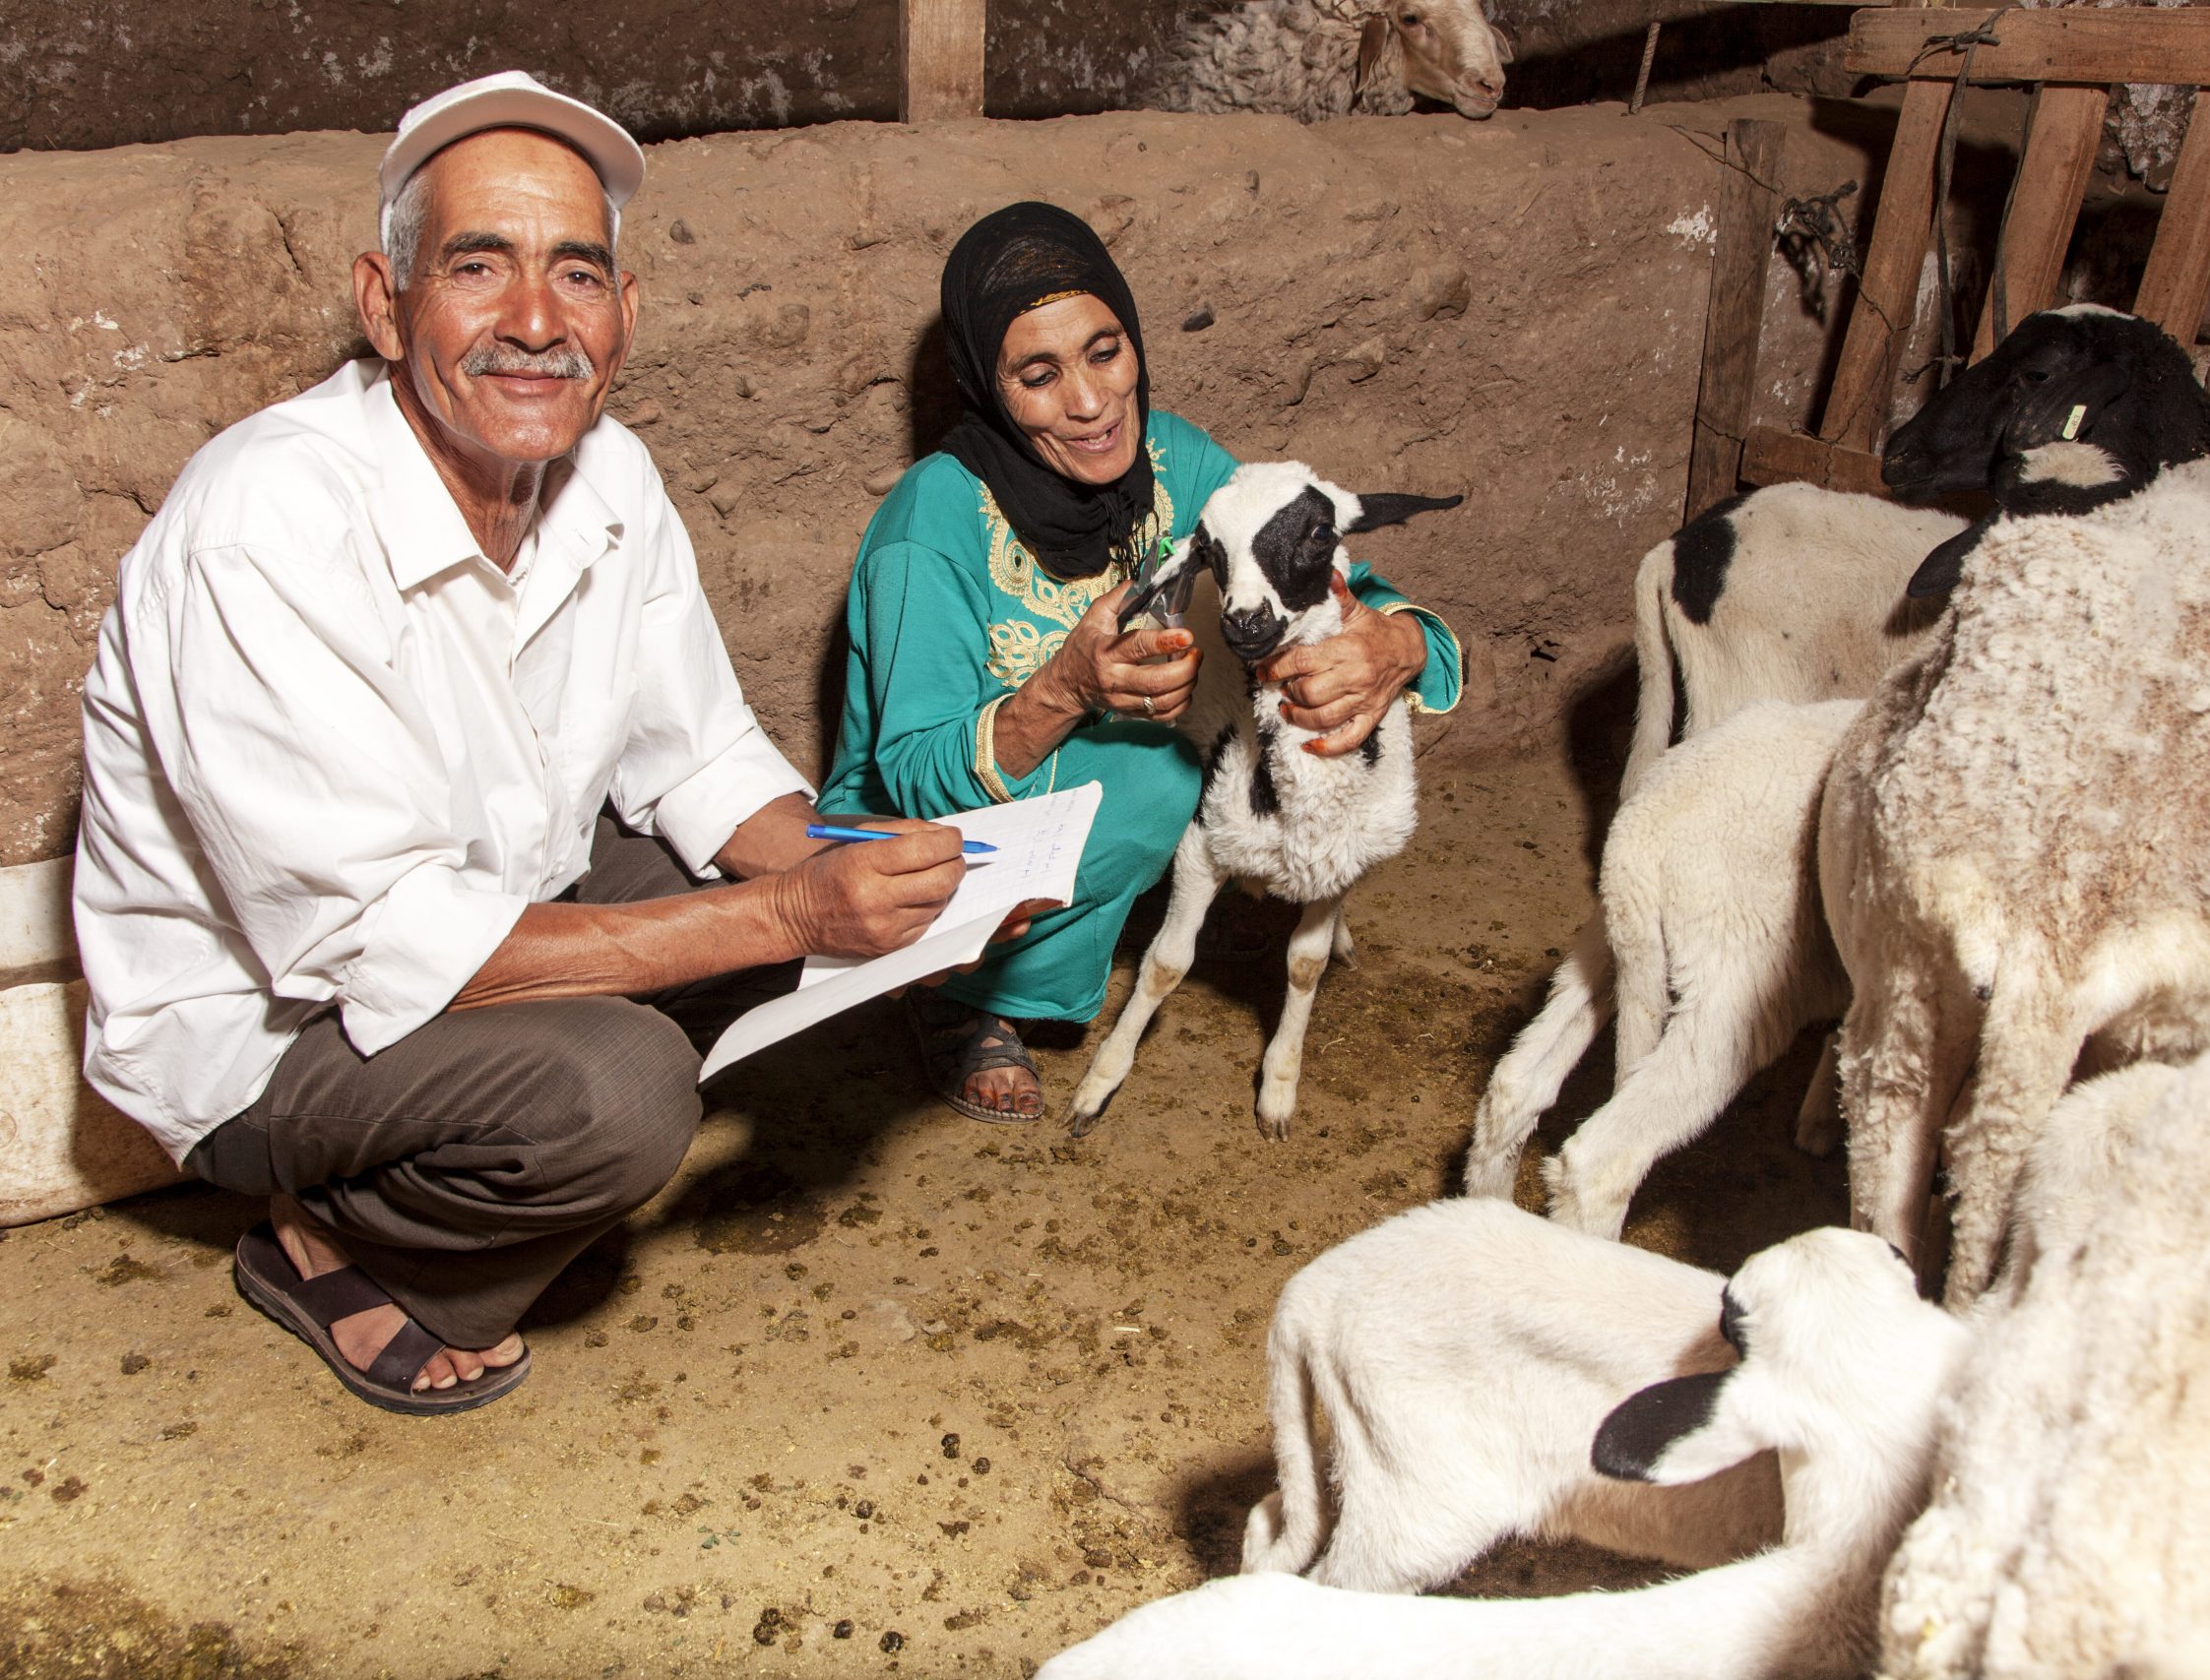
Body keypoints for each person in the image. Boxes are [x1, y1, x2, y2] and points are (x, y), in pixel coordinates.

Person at [73, 73, 1010, 1415]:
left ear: (627, 314)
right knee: (618, 1097)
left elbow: (698, 761)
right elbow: (382, 937)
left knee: (802, 939)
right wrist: (790, 907)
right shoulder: (264, 529)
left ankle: (448, 1165)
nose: (534, 322)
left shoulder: (608, 474)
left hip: (491, 908)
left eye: (577, 274)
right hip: (268, 1030)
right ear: (382, 303)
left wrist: (903, 874)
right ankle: (329, 1242)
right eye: (477, 266)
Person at [820, 202, 1463, 1123]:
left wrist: (1393, 647)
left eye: (1105, 350)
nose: (1090, 401)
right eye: (1039, 375)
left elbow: (1343, 585)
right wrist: (1067, 688)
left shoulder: (1177, 462)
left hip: (1073, 802)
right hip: (916, 826)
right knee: (1160, 770)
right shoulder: (932, 524)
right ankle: (959, 995)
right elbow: (912, 777)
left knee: (1218, 730)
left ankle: (1086, 915)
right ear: (988, 388)